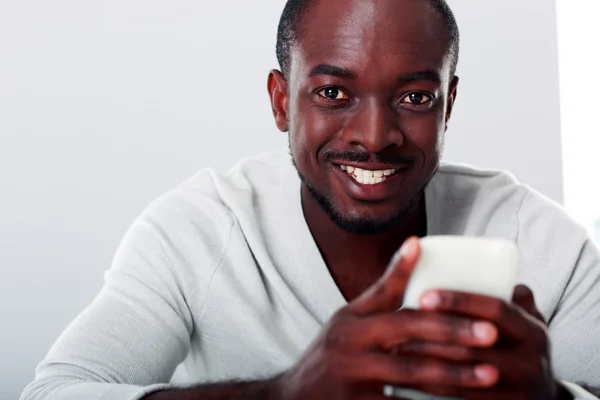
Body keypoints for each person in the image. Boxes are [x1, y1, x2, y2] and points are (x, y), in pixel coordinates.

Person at [20, 0, 600, 399]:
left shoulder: (546, 245)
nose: (374, 137)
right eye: (331, 92)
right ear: (280, 102)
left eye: (416, 98)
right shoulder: (199, 231)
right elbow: (54, 391)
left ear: (448, 106)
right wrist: (284, 393)